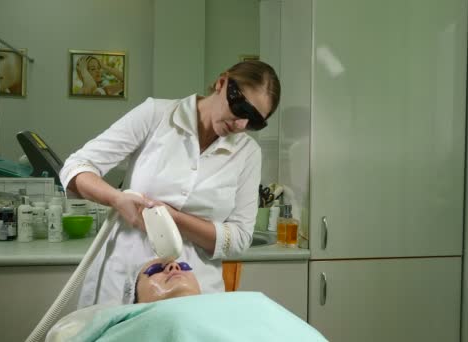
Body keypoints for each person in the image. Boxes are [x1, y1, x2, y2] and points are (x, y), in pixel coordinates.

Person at [59, 60, 281, 308]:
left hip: (194, 291)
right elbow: (77, 166)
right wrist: (117, 199)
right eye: (241, 108)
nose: (241, 124)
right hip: (123, 281)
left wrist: (170, 217)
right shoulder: (156, 115)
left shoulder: (247, 153)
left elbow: (239, 239)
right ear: (221, 83)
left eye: (254, 121)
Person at [46, 257, 327, 341]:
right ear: (135, 301)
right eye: (155, 270)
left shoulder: (251, 301)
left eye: (183, 266)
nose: (173, 267)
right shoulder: (133, 321)